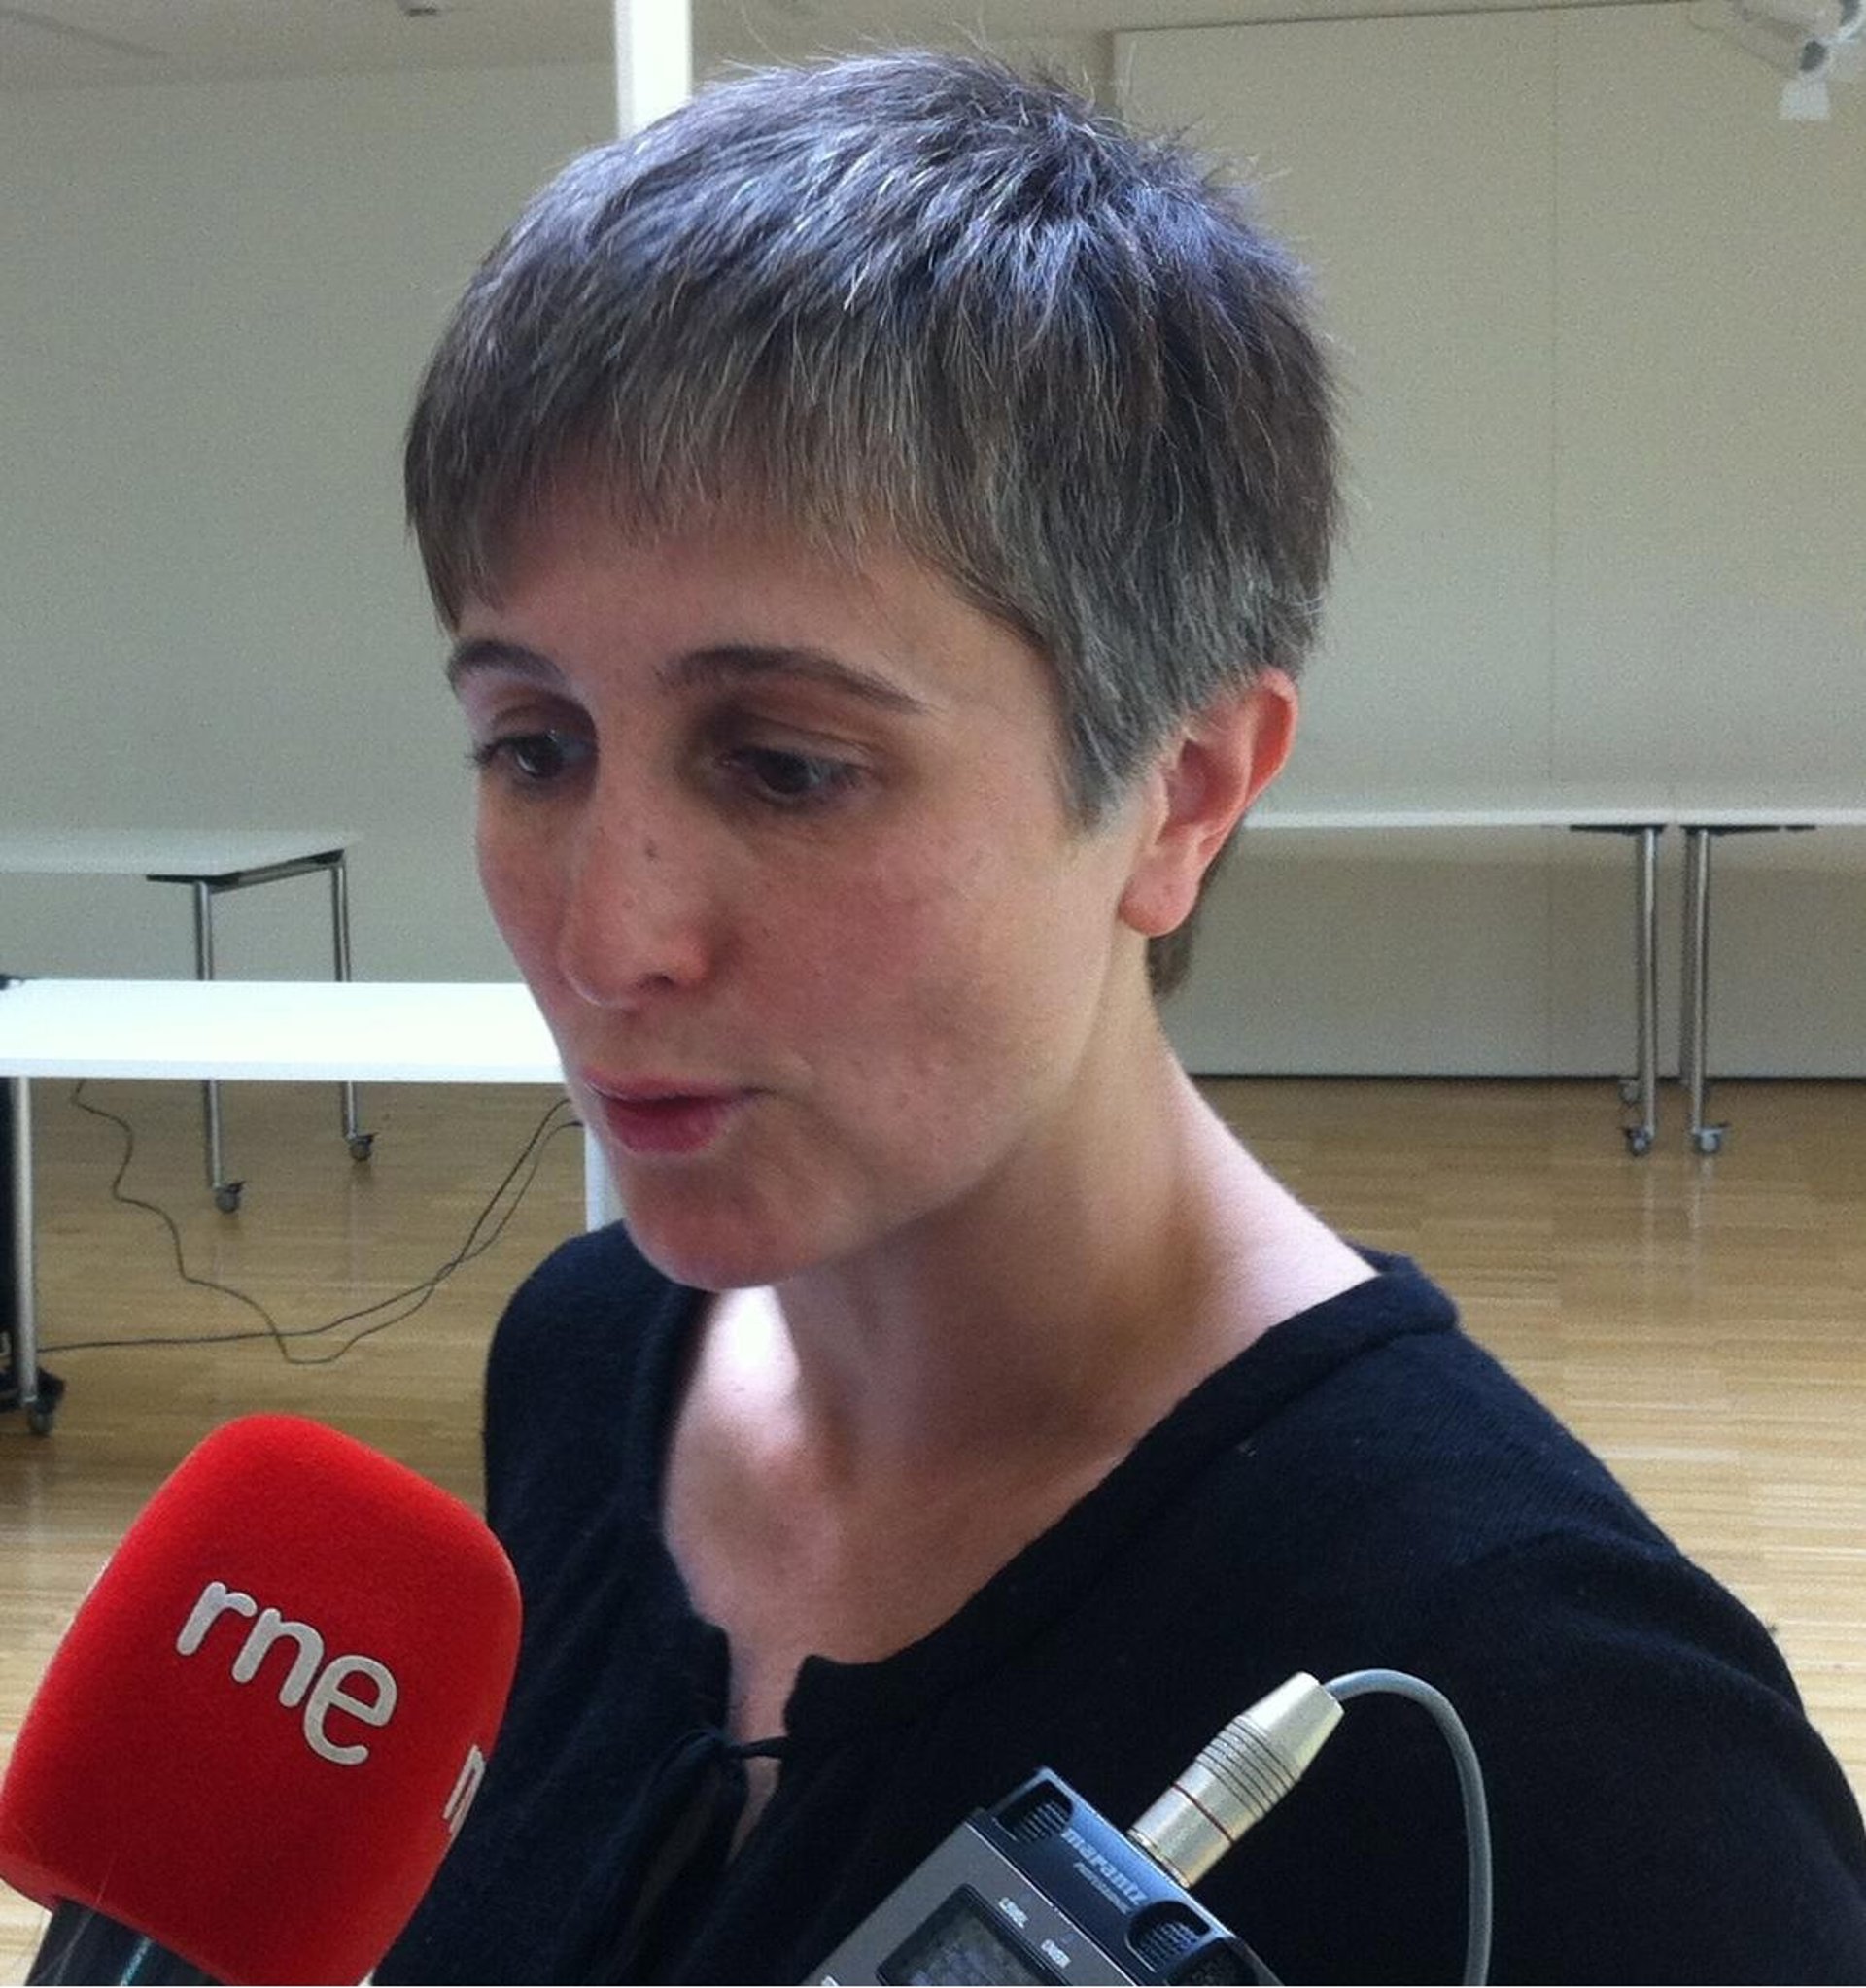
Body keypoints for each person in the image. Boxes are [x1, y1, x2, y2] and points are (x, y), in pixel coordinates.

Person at [378, 51, 1866, 1985]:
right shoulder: (586, 1365)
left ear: (1182, 794)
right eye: (533, 743)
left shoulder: (1562, 1734)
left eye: (787, 765)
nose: (606, 935)